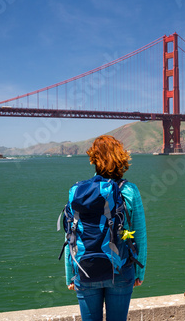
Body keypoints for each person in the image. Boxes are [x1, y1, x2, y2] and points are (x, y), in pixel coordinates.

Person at [65, 135, 147, 321]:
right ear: (121, 157)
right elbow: (140, 234)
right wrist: (139, 272)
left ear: (93, 159)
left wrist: (71, 274)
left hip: (85, 269)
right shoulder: (129, 190)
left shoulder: (79, 192)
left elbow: (70, 234)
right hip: (121, 269)